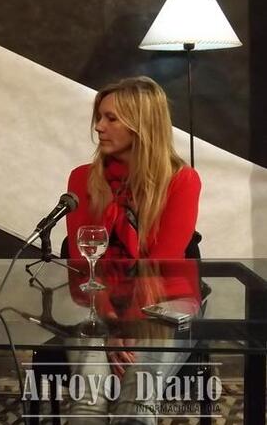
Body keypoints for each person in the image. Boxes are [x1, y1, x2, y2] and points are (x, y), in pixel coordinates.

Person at [63, 76, 202, 424]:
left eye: (111, 118)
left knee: (136, 404)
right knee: (88, 403)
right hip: (96, 300)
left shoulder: (181, 180)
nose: (98, 127)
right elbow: (83, 264)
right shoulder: (81, 178)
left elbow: (161, 265)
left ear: (141, 124)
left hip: (162, 301)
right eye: (99, 116)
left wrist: (129, 330)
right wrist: (111, 326)